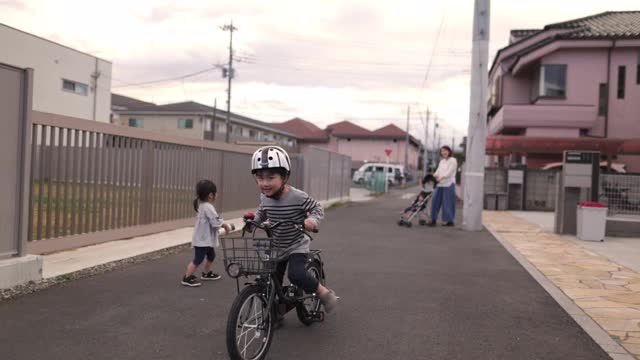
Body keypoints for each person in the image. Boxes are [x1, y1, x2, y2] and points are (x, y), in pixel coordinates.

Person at [250, 145, 338, 313]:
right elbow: (263, 211)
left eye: (270, 178)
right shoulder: (265, 197)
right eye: (260, 178)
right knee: (267, 280)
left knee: (296, 274)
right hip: (276, 245)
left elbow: (317, 208)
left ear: (284, 177)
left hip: (296, 245)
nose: (265, 183)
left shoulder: (297, 196)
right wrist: (253, 221)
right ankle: (273, 314)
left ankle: (323, 293)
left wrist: (312, 219)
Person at [181, 179, 232, 287]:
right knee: (198, 259)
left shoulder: (204, 206)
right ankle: (187, 277)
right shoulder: (208, 207)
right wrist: (225, 225)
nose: (217, 195)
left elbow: (214, 220)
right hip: (202, 240)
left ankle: (206, 273)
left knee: (211, 255)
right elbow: (215, 221)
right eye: (215, 193)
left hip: (205, 239)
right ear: (210, 195)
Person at [428, 146, 458, 226]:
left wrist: (442, 177)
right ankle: (433, 219)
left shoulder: (453, 160)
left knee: (447, 203)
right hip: (439, 184)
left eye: (445, 151)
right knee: (435, 201)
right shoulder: (442, 162)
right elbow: (438, 171)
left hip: (448, 184)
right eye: (442, 151)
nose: (443, 152)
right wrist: (432, 177)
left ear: (449, 151)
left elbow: (449, 172)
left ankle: (449, 221)